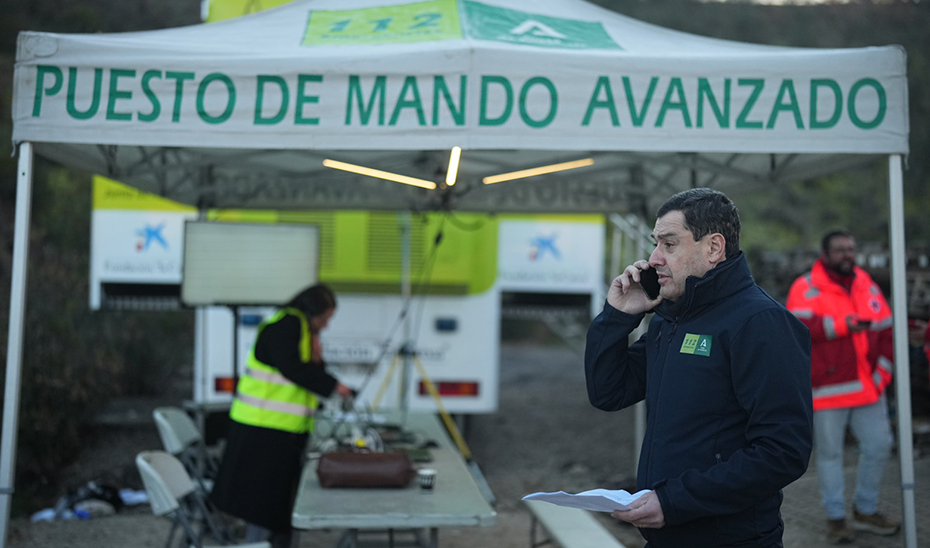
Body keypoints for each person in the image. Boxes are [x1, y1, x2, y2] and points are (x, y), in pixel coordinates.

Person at [586, 188, 813, 547]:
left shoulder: (761, 323)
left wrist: (674, 501)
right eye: (656, 244)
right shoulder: (672, 318)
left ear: (713, 247)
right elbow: (608, 392)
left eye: (669, 244)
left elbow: (783, 452)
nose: (654, 258)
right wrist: (616, 318)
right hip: (667, 535)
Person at [210, 283, 353, 548]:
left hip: (277, 430)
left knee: (276, 507)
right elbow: (293, 369)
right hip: (263, 430)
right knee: (262, 507)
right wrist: (333, 385)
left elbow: (296, 370)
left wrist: (318, 360)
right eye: (324, 319)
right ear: (312, 312)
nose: (325, 326)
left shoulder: (295, 327)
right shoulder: (288, 325)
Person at [786, 231, 900, 543]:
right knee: (831, 455)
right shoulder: (805, 286)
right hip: (827, 388)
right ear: (824, 253)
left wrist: (882, 375)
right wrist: (841, 326)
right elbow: (796, 330)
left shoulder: (866, 283)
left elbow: (886, 331)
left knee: (879, 446)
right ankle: (836, 517)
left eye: (851, 249)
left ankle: (865, 509)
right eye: (840, 250)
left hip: (868, 388)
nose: (847, 255)